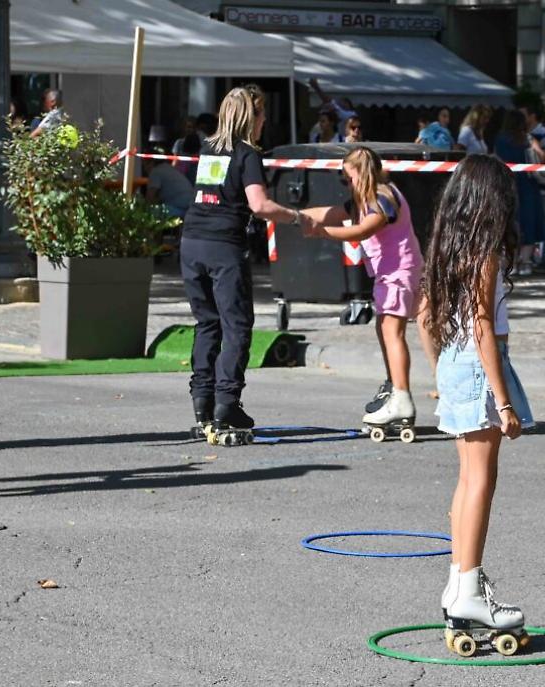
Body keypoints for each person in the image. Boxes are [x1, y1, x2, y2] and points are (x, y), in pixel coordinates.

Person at [423, 154, 534, 653]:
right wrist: (505, 402)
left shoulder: (448, 246)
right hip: (478, 365)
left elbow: (425, 315)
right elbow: (485, 326)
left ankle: (458, 582)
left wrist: (438, 373)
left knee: (468, 479)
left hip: (454, 360)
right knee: (481, 481)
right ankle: (468, 589)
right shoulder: (484, 251)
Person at [180, 84, 306, 444]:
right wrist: (296, 218)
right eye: (262, 115)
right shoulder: (246, 154)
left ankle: (202, 402)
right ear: (252, 118)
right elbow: (259, 205)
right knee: (236, 325)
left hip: (192, 242)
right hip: (223, 246)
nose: (265, 121)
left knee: (207, 323)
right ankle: (227, 403)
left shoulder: (208, 149)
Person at [300, 147, 424, 431]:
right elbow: (332, 213)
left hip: (397, 272)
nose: (346, 183)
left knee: (393, 333)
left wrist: (321, 232)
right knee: (385, 330)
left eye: (348, 178)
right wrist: (294, 216)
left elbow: (362, 231)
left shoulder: (383, 198)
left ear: (361, 174)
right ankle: (396, 390)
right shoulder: (366, 197)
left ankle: (402, 397)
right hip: (392, 272)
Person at [494, 110, 543, 276]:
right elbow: (541, 157)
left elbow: (497, 160)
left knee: (510, 222)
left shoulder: (501, 139)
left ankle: (511, 263)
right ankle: (526, 262)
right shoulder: (527, 139)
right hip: (528, 184)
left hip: (507, 184)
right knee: (529, 223)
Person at [519, 104, 545, 270]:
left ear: (532, 116)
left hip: (540, 182)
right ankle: (536, 257)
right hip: (530, 183)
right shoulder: (526, 134)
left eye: (523, 115)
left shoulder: (543, 133)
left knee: (544, 219)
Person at [144, 148, 195, 219]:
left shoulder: (155, 172)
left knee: (148, 212)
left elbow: (149, 198)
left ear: (151, 163)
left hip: (178, 208)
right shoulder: (169, 168)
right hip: (191, 207)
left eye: (144, 164)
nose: (144, 168)